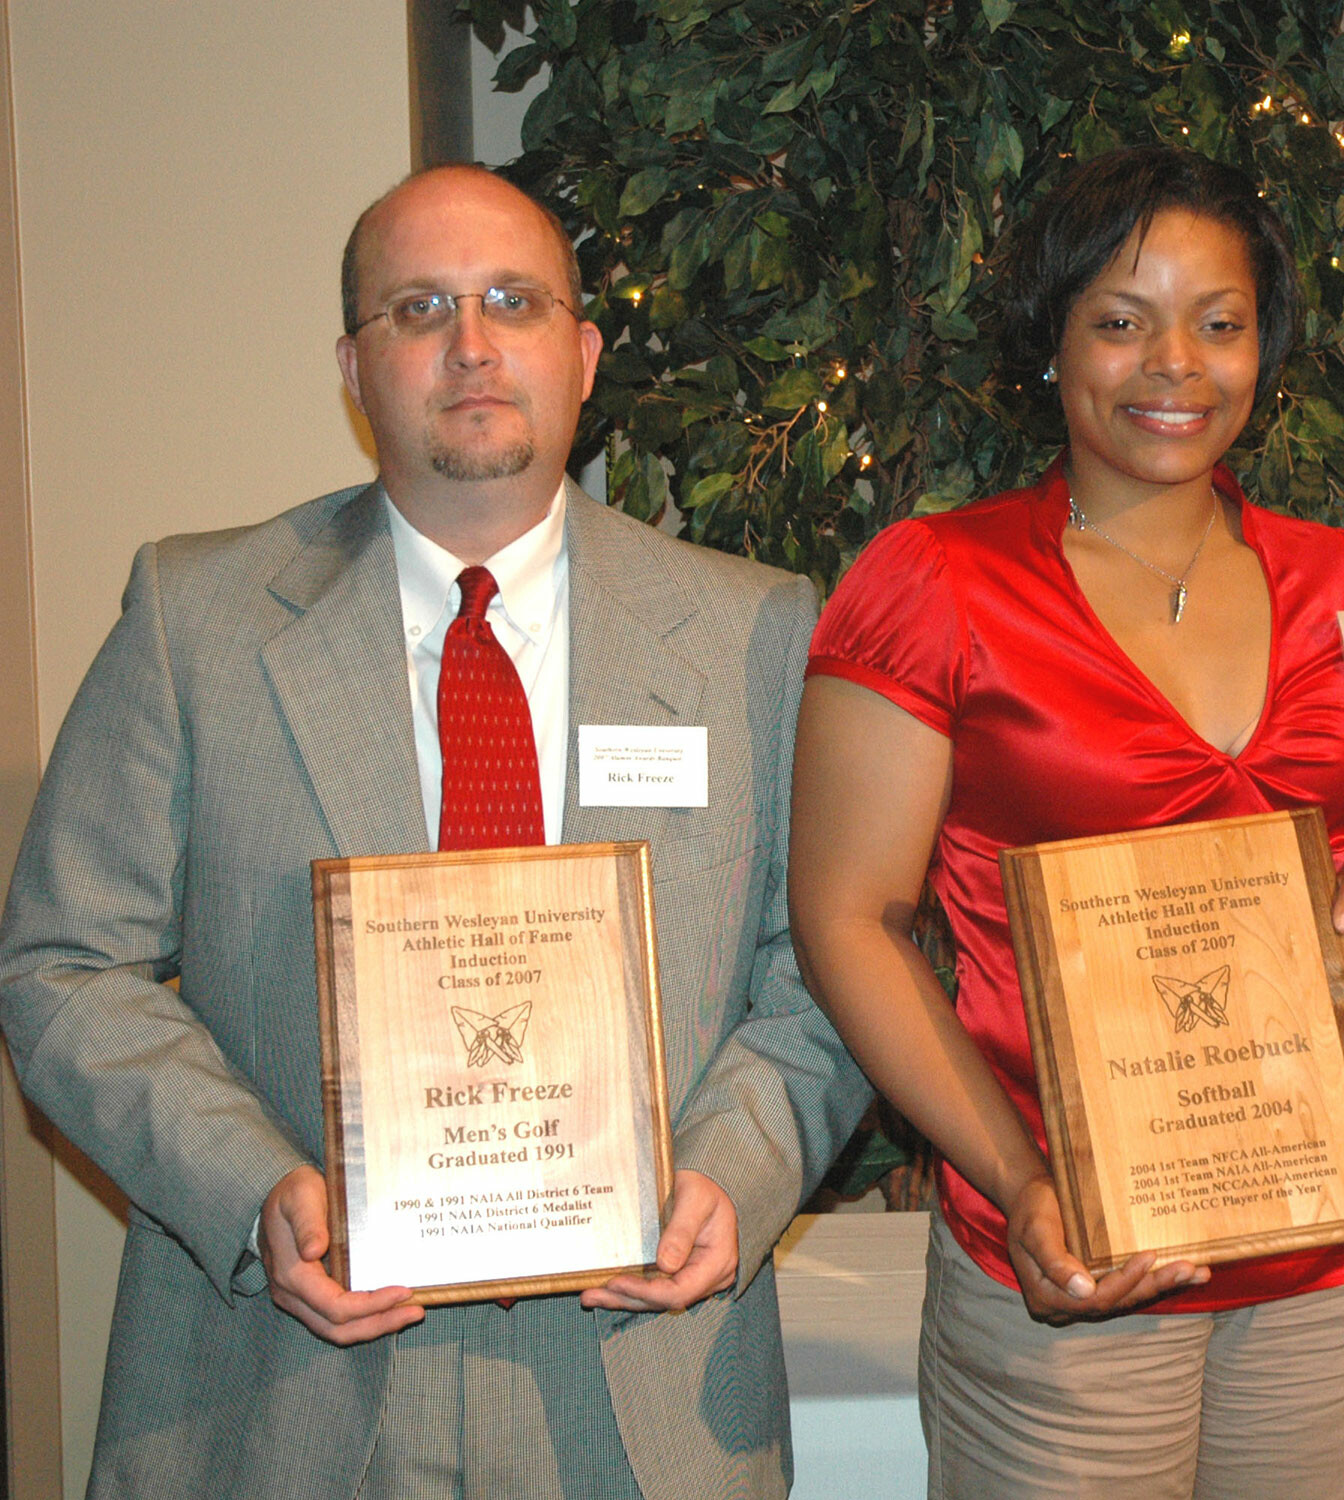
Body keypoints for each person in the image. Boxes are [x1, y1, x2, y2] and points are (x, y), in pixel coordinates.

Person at [0, 164, 869, 1498]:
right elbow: (61, 967)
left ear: (581, 353)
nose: (471, 344)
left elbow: (827, 964)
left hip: (639, 1387)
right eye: (420, 309)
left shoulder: (754, 631)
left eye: (513, 301)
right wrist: (256, 1193)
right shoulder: (197, 621)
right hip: (281, 1393)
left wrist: (736, 1173)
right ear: (355, 368)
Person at [789, 145, 1344, 1499]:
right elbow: (847, 918)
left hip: (1328, 1259)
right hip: (1073, 1258)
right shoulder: (938, 581)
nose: (1177, 365)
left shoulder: (1333, 576)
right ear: (1052, 341)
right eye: (1121, 320)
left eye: (1221, 323)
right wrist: (1022, 1178)